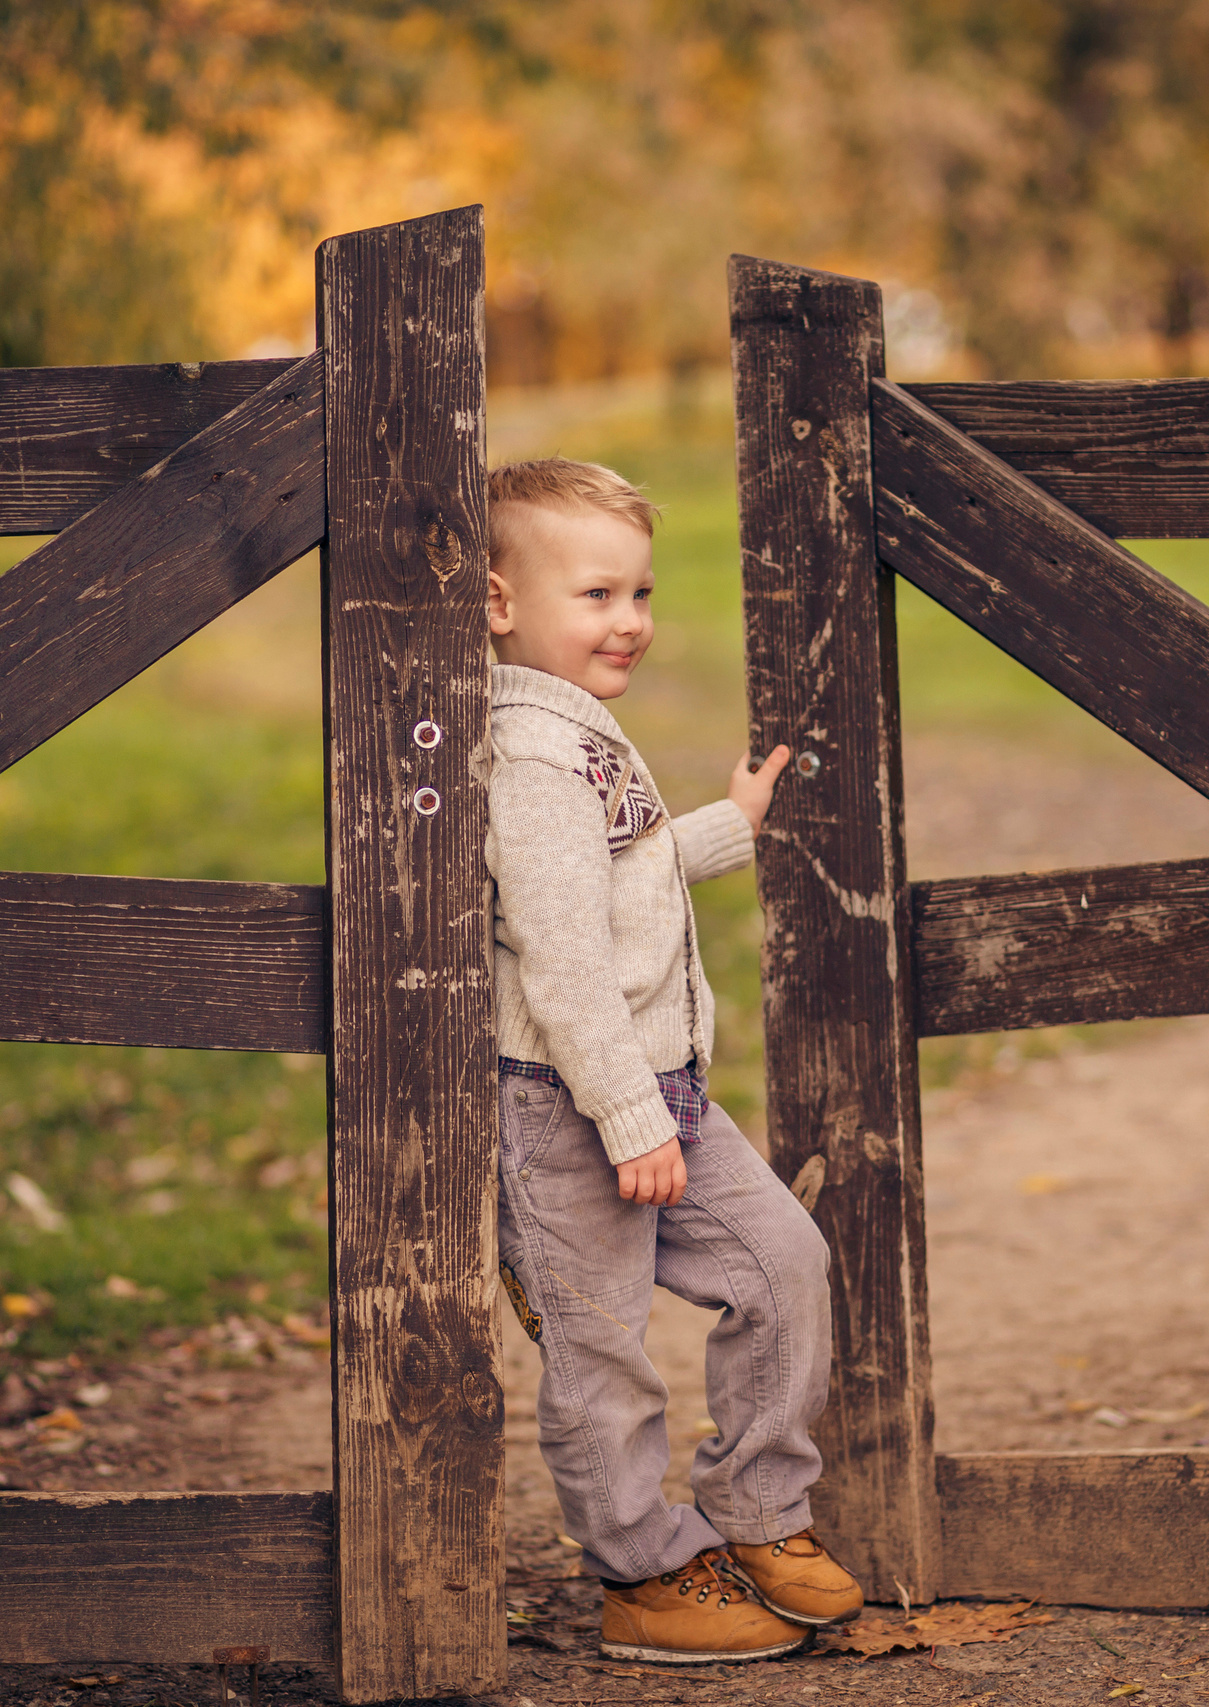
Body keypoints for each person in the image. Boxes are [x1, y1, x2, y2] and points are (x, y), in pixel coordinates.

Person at [484, 456, 862, 1664]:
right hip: (571, 1106)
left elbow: (618, 870)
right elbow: (564, 960)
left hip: (659, 1096)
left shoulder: (575, 733)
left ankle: (756, 1509)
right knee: (600, 1356)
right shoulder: (533, 757)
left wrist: (726, 826)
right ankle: (640, 1576)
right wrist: (626, 1113)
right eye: (597, 596)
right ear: (499, 603)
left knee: (784, 1265)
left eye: (639, 593)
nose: (631, 621)